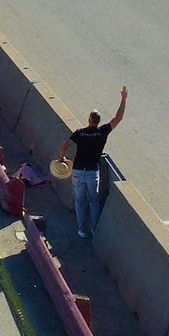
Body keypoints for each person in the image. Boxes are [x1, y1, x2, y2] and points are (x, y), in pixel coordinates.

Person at [57, 86, 128, 239]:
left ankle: (82, 230)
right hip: (93, 173)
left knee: (79, 201)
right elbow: (118, 118)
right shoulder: (102, 132)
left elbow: (64, 146)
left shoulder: (79, 133)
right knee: (94, 203)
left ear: (89, 120)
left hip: (77, 172)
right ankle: (95, 229)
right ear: (98, 122)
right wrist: (123, 99)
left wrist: (62, 158)